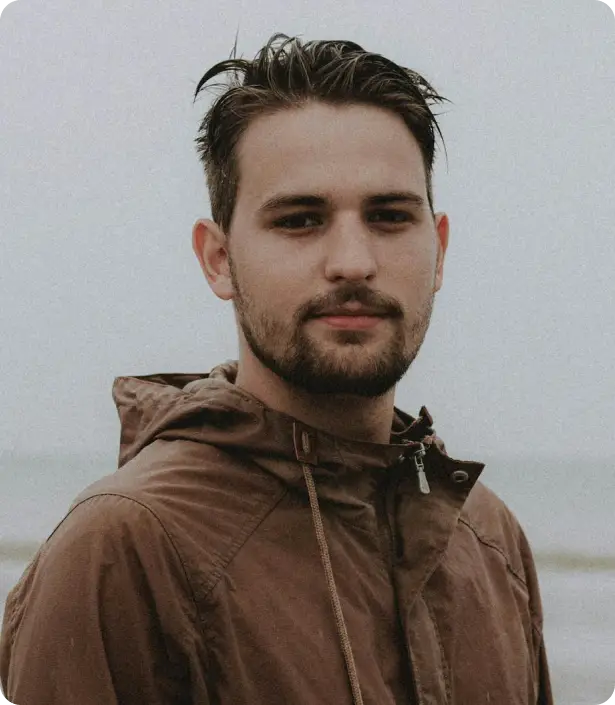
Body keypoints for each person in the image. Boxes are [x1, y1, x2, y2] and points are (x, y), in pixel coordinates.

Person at [0, 34, 552, 704]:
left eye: (388, 216)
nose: (353, 262)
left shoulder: (488, 539)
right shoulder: (124, 548)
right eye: (299, 220)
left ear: (437, 249)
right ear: (219, 260)